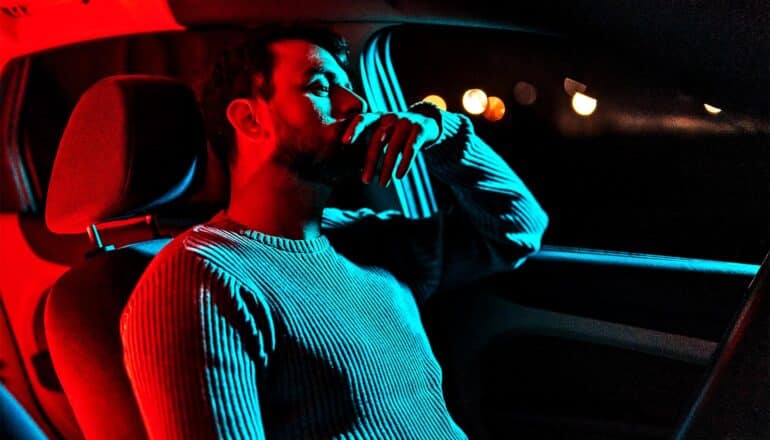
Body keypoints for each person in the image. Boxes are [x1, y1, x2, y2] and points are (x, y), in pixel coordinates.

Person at [120, 24, 548, 439]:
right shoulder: (201, 278)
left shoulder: (363, 239)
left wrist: (440, 132)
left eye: (349, 87)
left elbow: (517, 230)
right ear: (250, 119)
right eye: (321, 87)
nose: (355, 103)